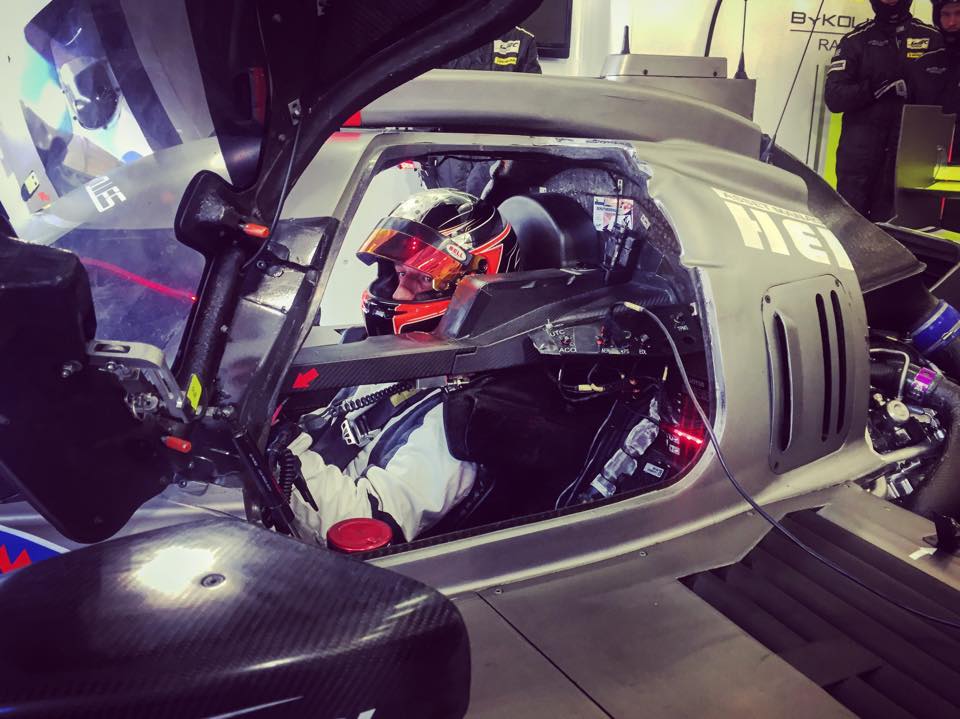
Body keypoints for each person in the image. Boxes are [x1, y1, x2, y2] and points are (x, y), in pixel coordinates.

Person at [286, 189, 520, 545]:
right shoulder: (403, 357)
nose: (398, 293)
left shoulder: (457, 424)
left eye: (424, 279)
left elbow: (360, 528)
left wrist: (282, 452)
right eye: (398, 273)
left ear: (478, 288)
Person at [825, 0, 942, 221]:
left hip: (908, 161)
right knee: (848, 229)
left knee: (897, 232)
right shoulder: (855, 40)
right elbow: (834, 98)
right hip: (858, 161)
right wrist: (873, 89)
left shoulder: (933, 39)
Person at [441, 25, 542, 74]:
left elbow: (533, 93)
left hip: (503, 109)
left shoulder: (523, 40)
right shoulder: (441, 40)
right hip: (453, 109)